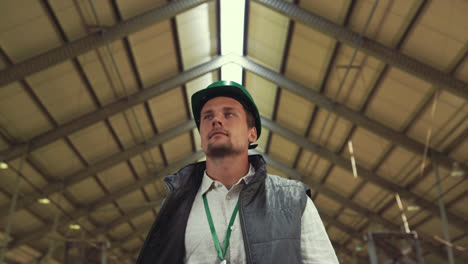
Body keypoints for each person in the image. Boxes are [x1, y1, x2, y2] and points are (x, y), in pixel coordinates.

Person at [136, 81, 339, 264]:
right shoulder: (175, 203)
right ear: (201, 138)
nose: (216, 121)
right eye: (208, 117)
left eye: (228, 114)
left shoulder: (293, 200)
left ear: (252, 133)